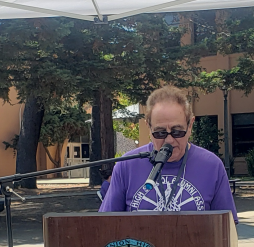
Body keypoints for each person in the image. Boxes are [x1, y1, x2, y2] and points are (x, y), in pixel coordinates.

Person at [99, 86, 238, 222]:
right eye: (160, 133)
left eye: (177, 131)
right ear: (148, 127)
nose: (169, 140)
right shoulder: (126, 165)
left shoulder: (212, 166)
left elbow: (227, 227)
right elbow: (106, 224)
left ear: (190, 125)